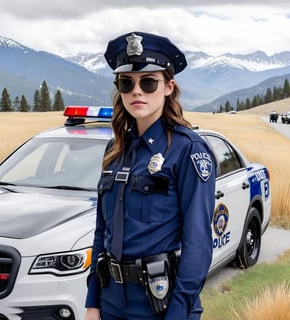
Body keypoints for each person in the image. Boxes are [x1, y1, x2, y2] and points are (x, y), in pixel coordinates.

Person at [84, 31, 216, 320]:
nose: (136, 92)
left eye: (148, 82)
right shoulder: (115, 149)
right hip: (110, 300)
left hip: (160, 303)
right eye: (126, 83)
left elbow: (198, 244)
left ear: (169, 87)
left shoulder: (187, 150)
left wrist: (178, 313)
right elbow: (101, 231)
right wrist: (92, 302)